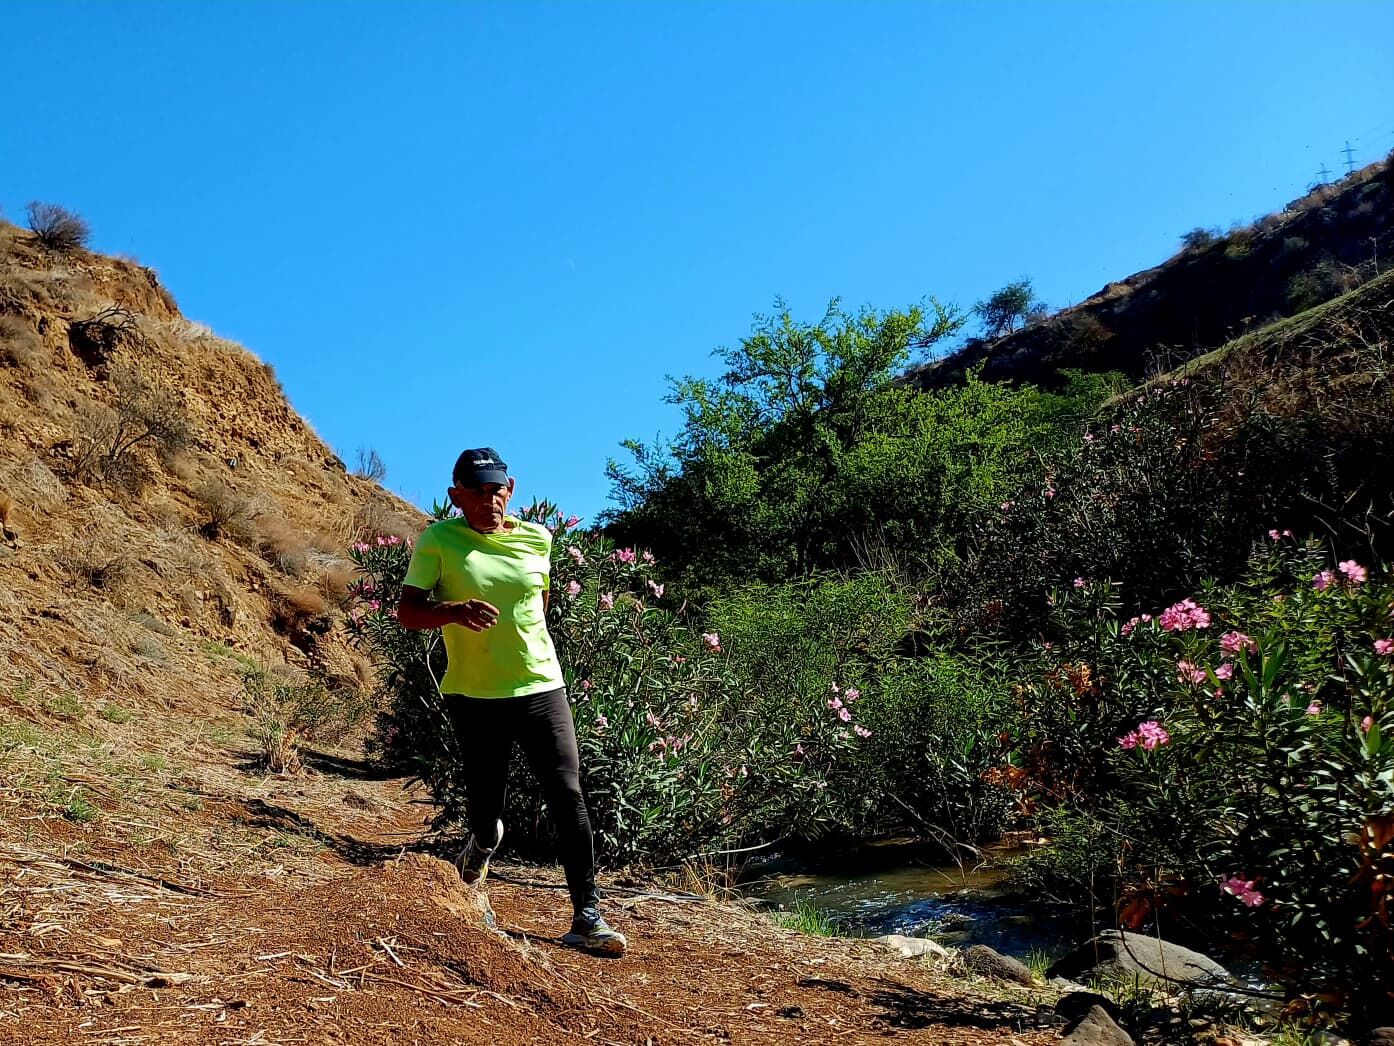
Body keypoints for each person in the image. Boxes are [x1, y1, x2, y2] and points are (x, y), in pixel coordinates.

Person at [395, 447, 627, 957]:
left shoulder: (538, 538)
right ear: (456, 496)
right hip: (475, 694)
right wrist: (452, 611)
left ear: (511, 489)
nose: (490, 500)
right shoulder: (439, 540)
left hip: (541, 685)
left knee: (568, 794)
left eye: (497, 490)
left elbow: (538, 604)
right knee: (487, 808)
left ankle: (587, 916)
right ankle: (480, 845)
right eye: (477, 492)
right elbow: (408, 613)